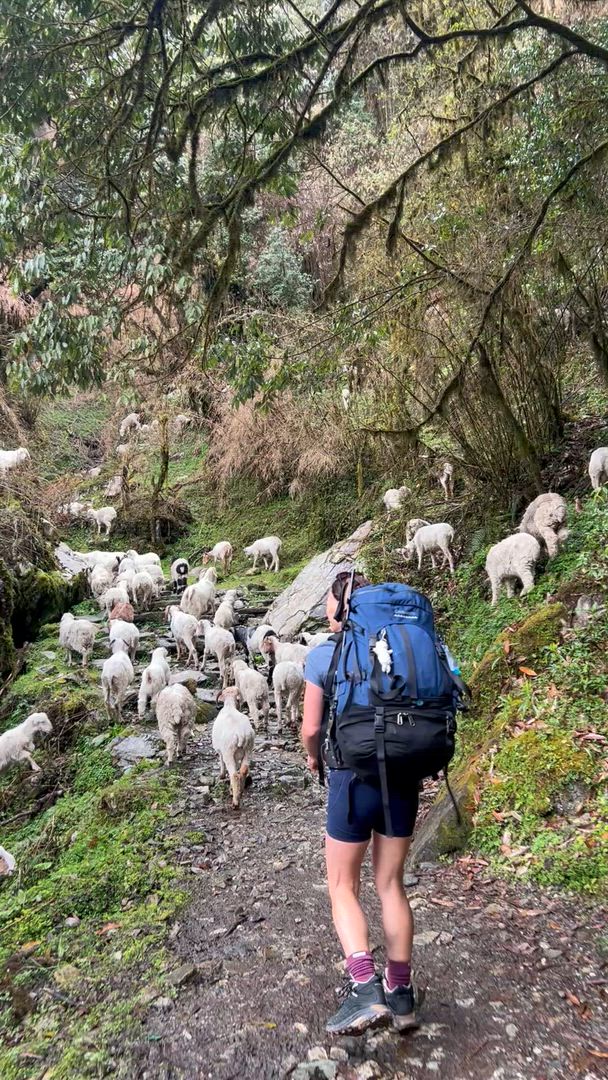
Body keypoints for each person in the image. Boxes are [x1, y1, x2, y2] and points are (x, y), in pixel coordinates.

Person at [301, 571, 420, 1036]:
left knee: (342, 886)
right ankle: (402, 994)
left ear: (340, 607)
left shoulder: (326, 654)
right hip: (405, 777)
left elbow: (312, 729)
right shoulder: (407, 649)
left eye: (329, 606)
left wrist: (314, 760)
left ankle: (365, 989)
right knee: (390, 884)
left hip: (353, 779)